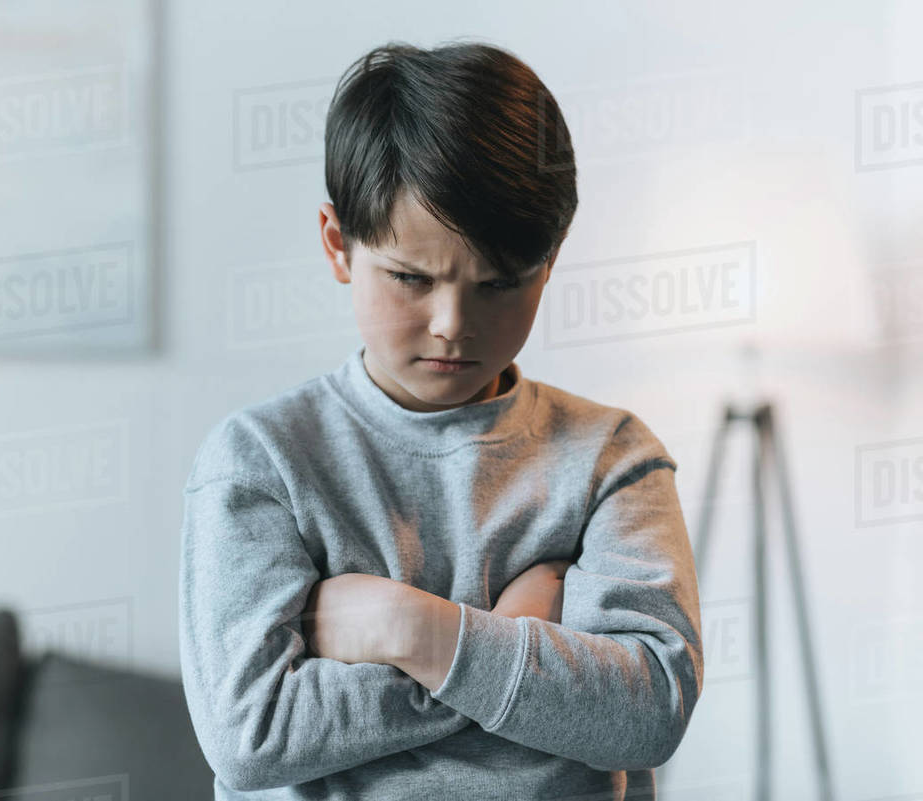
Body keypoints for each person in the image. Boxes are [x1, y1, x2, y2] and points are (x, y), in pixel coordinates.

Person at [178, 39, 704, 800]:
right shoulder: (261, 459)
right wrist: (511, 640)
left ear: (549, 261)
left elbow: (647, 711)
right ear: (338, 244)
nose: (453, 323)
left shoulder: (610, 457)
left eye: (499, 283)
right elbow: (252, 736)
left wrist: (408, 629)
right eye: (411, 278)